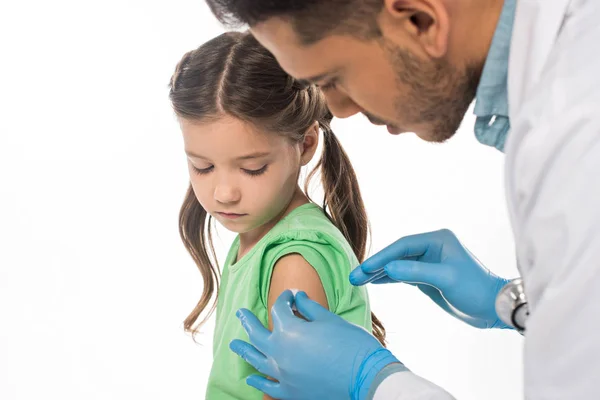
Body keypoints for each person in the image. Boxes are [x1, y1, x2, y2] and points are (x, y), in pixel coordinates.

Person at [204, 0, 600, 398]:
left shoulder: (579, 139)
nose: (337, 111)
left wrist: (378, 382)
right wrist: (513, 301)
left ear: (418, 19)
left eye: (332, 78)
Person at [168, 31, 387, 400]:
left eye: (252, 168)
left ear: (306, 143)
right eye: (202, 167)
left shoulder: (293, 259)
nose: (224, 192)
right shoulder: (260, 234)